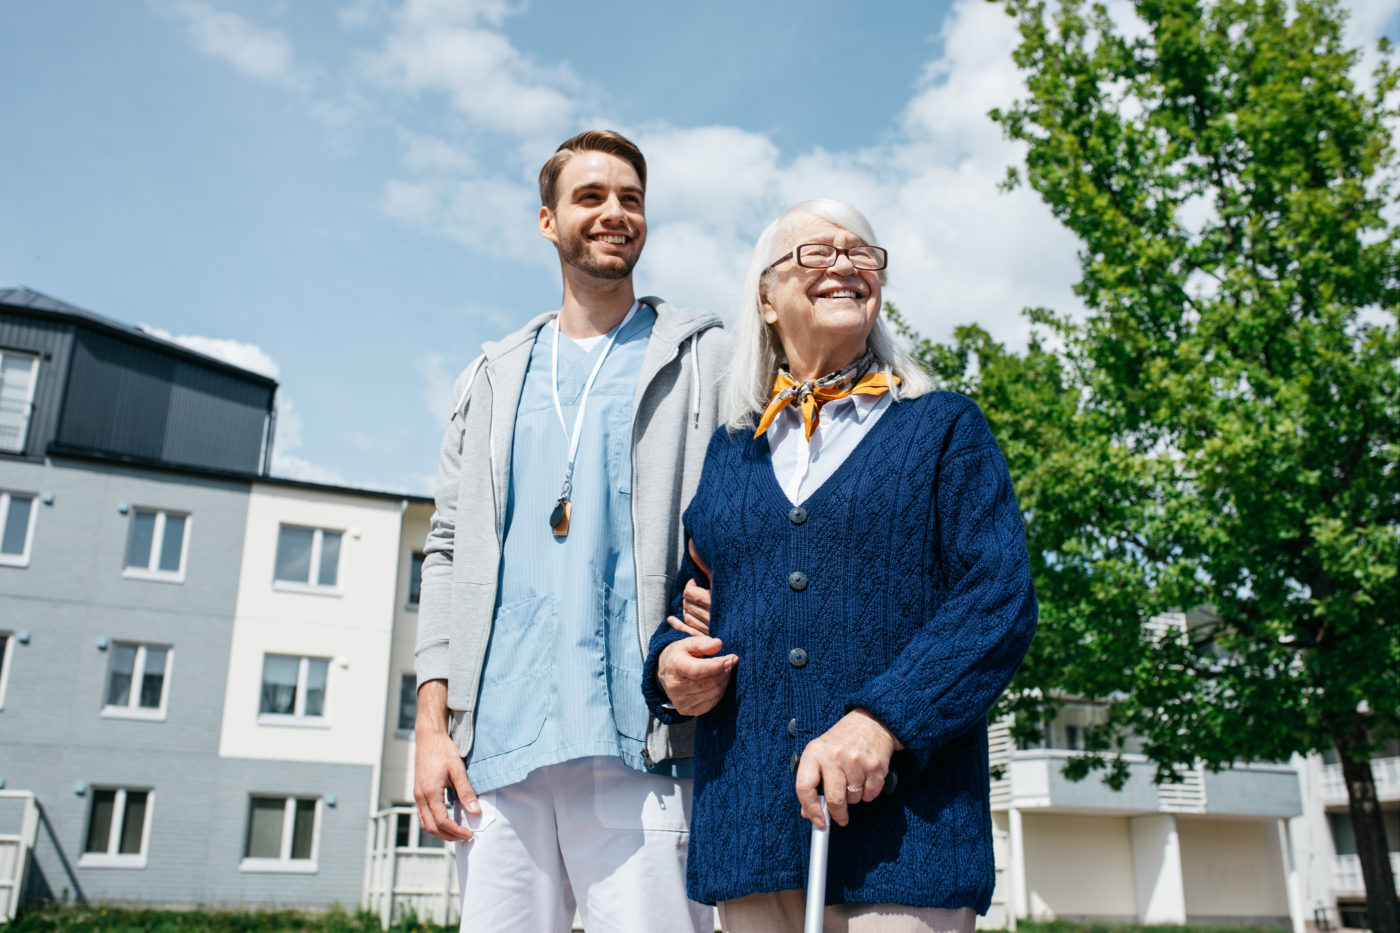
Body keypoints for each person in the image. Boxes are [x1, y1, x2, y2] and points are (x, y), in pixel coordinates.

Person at [644, 199, 1037, 932]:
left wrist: (882, 722)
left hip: (905, 842)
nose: (846, 264)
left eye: (862, 253)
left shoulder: (943, 428)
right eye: (816, 253)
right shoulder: (733, 453)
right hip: (751, 836)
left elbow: (998, 598)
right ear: (766, 297)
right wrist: (670, 669)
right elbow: (689, 596)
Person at [413, 129, 727, 933]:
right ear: (548, 222)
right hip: (497, 750)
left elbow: (751, 514)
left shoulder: (705, 359)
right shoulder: (490, 377)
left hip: (640, 739)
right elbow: (445, 548)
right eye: (590, 197)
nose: (614, 213)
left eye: (630, 198)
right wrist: (432, 726)